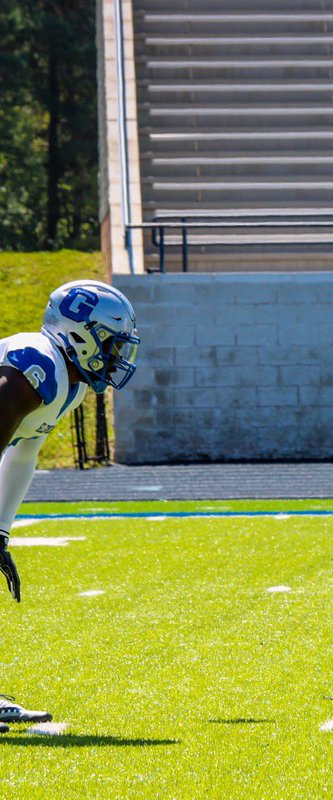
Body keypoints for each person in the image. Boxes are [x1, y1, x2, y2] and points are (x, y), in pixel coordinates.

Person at [0, 279, 140, 733]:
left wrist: (0, 531)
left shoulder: (69, 385)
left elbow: (23, 452)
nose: (117, 355)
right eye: (110, 343)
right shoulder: (34, 364)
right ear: (81, 333)